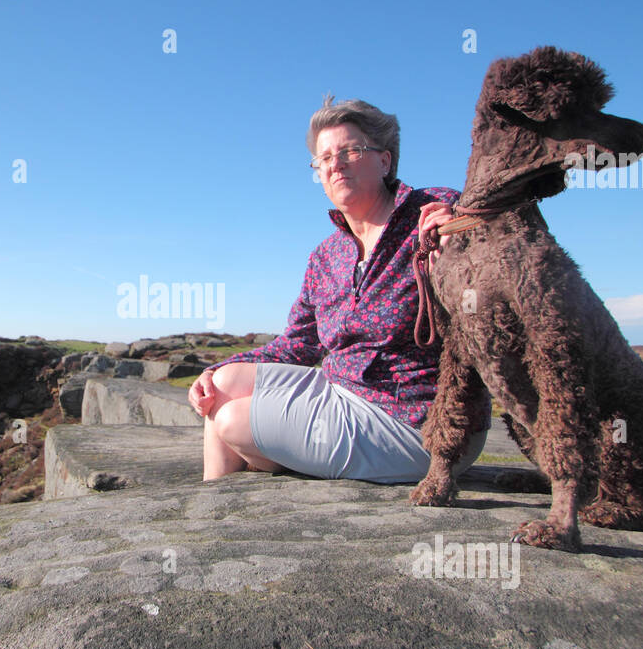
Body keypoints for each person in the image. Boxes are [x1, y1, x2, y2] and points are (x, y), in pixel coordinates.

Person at [188, 96, 488, 482]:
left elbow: (499, 261)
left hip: (419, 419)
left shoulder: (436, 211)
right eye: (325, 158)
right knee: (222, 385)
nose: (336, 164)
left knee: (231, 420)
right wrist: (214, 367)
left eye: (351, 150)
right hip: (340, 390)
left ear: (385, 160)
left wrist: (460, 239)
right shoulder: (326, 256)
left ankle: (229, 501)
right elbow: (298, 345)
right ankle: (214, 509)